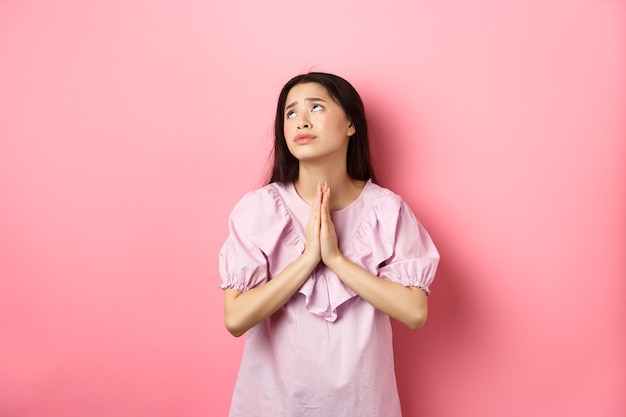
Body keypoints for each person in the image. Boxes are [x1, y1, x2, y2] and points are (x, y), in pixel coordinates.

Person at [218, 72, 439, 417]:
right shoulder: (260, 209)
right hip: (274, 405)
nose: (300, 121)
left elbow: (414, 313)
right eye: (290, 113)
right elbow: (236, 317)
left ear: (351, 123)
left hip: (362, 405)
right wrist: (308, 260)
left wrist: (336, 260)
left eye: (316, 107)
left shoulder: (386, 210)